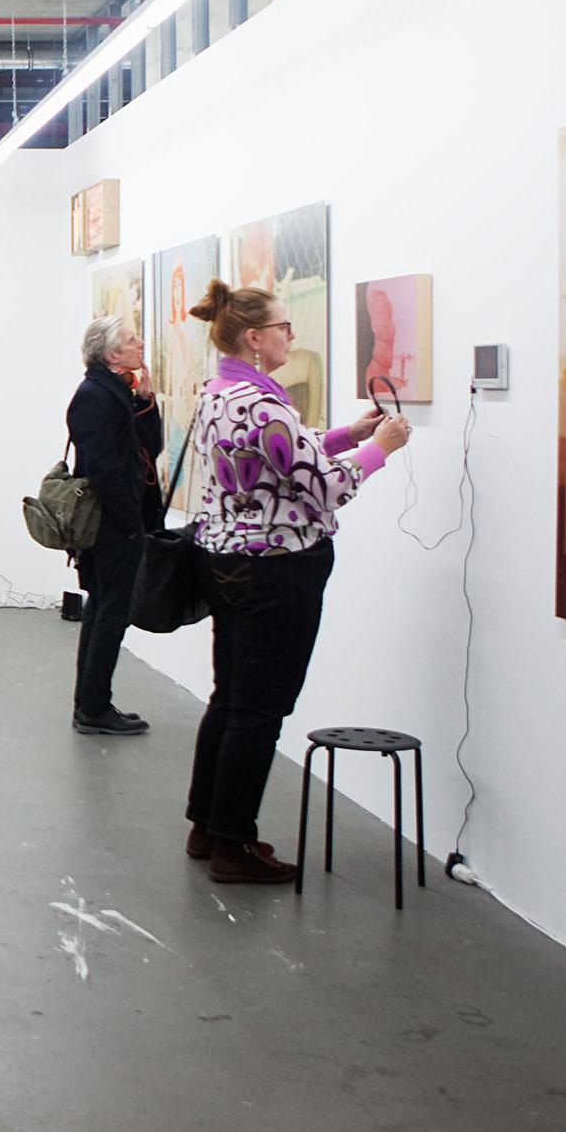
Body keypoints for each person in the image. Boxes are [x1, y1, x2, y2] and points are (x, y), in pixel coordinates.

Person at [183, 280, 408, 884]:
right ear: (254, 337)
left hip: (227, 563)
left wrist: (345, 437)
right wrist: (380, 449)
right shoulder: (265, 403)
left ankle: (206, 826)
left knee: (230, 698)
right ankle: (234, 844)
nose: (291, 335)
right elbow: (324, 486)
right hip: (276, 571)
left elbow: (276, 461)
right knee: (260, 711)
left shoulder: (222, 392)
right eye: (284, 326)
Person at [66, 315, 163, 737]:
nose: (139, 343)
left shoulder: (115, 391)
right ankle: (93, 707)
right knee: (110, 613)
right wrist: (128, 523)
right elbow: (103, 468)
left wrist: (146, 401)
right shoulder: (93, 395)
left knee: (103, 608)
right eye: (130, 340)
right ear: (110, 355)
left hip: (119, 520)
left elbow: (149, 448)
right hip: (111, 525)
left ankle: (90, 703)